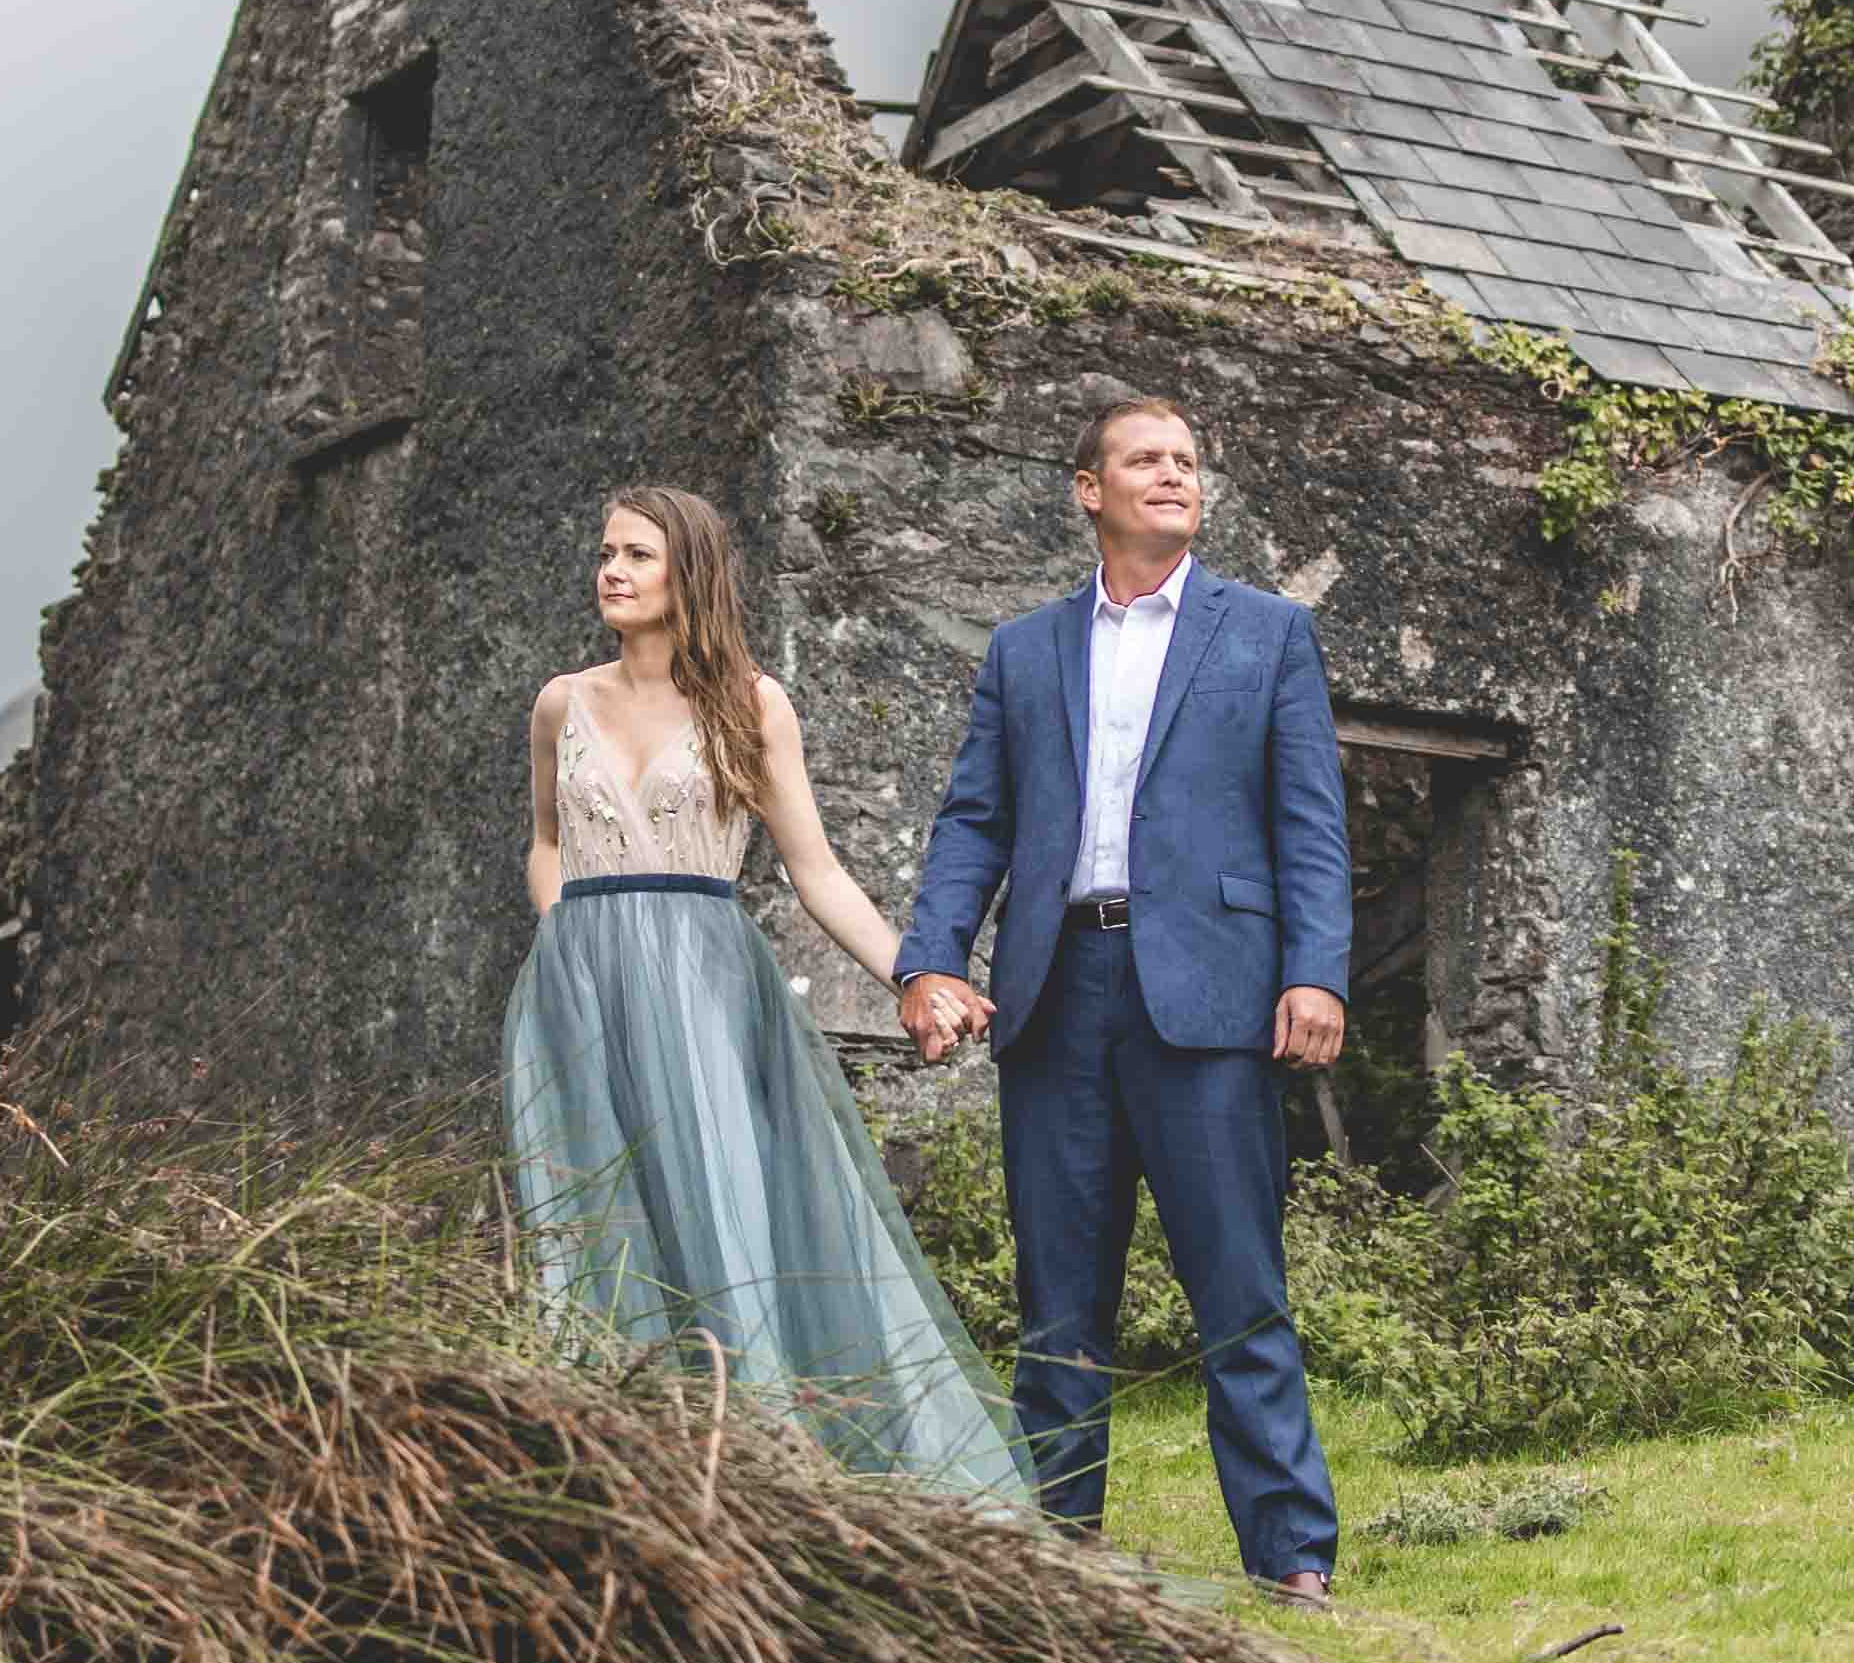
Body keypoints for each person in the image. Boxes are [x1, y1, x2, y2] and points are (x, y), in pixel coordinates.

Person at [894, 395, 1351, 1601]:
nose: (1173, 476)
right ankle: (1058, 1557)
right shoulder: (1023, 649)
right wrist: (931, 959)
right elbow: (975, 823)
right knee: (1057, 1299)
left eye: (1189, 461)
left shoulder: (1266, 635)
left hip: (1211, 1001)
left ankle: (1292, 1557)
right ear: (1087, 490)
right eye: (1146, 460)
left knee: (1240, 1290)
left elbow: (1311, 826)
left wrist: (1315, 971)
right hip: (1056, 995)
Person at [503, 485, 1026, 1503]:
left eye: (637, 556)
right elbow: (546, 842)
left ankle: (760, 1472)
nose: (611, 571)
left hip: (704, 982)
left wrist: (916, 974)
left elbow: (816, 870)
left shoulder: (752, 702)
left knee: (720, 1199)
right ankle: (602, 1475)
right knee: (589, 1213)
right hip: (576, 989)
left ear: (687, 573)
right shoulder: (561, 702)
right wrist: (562, 936)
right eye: (606, 552)